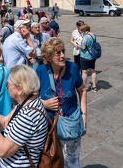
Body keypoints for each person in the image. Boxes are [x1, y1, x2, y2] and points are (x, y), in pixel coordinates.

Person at [0, 64, 48, 167]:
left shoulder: (28, 116)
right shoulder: (27, 102)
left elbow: (3, 151)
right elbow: (6, 121)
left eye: (8, 85)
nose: (7, 88)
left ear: (19, 88)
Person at [36, 37, 87, 167]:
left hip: (70, 122)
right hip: (48, 126)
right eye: (57, 53)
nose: (63, 55)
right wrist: (44, 103)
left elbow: (82, 90)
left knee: (72, 161)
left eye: (63, 51)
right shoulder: (40, 70)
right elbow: (32, 97)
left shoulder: (72, 68)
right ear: (48, 57)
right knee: (52, 161)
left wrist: (84, 115)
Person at [79, 23, 98, 92]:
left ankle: (83, 87)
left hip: (85, 56)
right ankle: (94, 86)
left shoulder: (86, 37)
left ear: (85, 30)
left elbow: (83, 47)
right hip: (92, 56)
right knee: (93, 71)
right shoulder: (93, 35)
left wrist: (79, 46)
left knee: (84, 72)